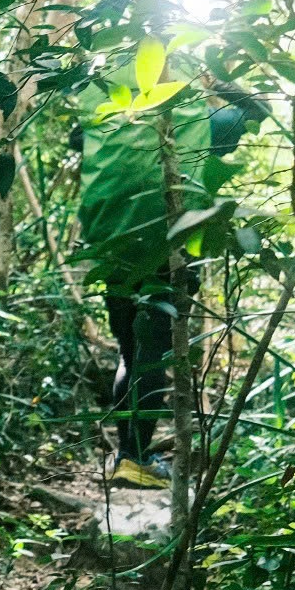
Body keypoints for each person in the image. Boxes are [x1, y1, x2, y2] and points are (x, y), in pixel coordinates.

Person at [73, 77, 259, 488]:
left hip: (112, 245)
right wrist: (219, 84)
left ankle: (128, 456)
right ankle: (135, 459)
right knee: (152, 352)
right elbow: (257, 110)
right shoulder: (203, 121)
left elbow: (77, 139)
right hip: (168, 248)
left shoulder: (113, 117)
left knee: (130, 349)